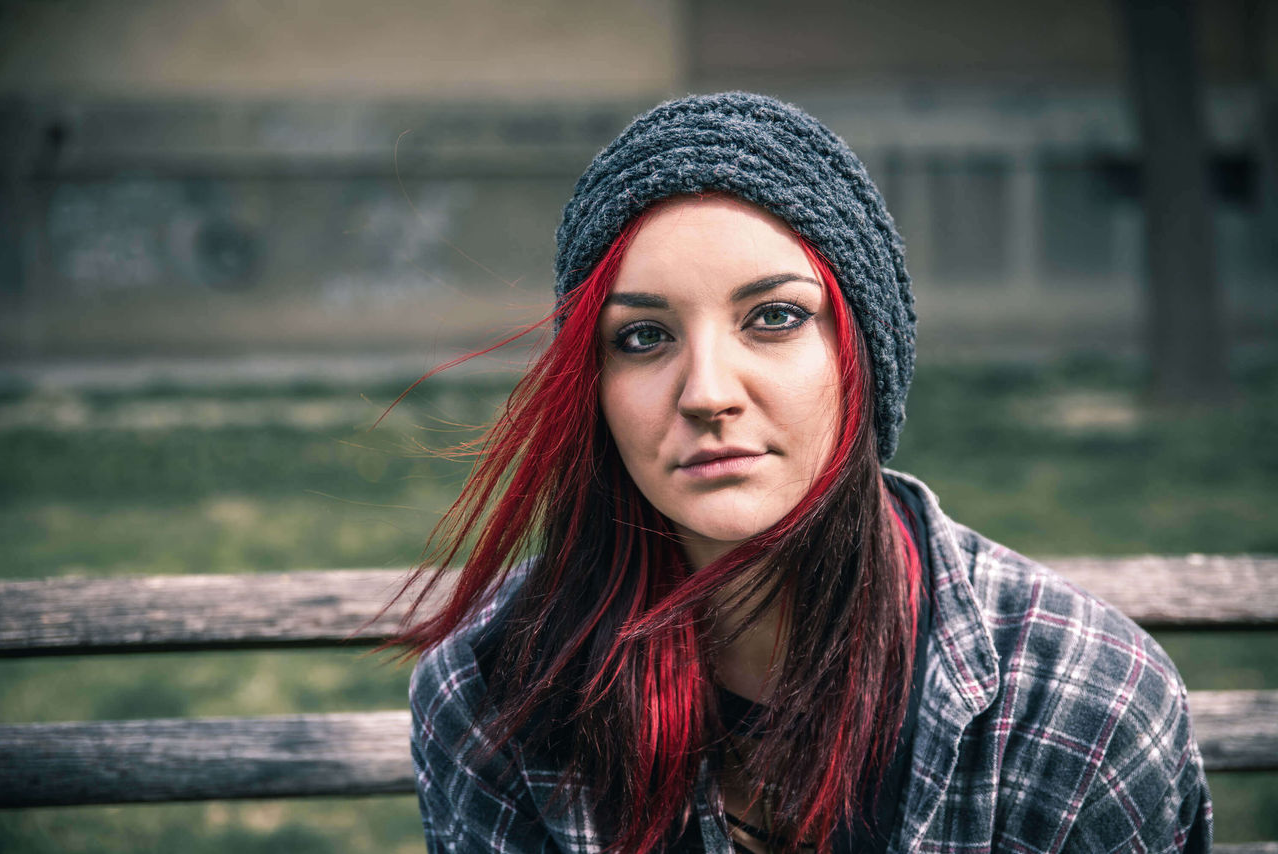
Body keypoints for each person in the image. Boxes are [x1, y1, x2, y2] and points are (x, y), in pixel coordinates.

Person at [392, 92, 1212, 853]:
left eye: (775, 318)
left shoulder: (1080, 706)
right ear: (593, 385)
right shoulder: (494, 696)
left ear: (862, 355)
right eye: (643, 336)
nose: (709, 393)